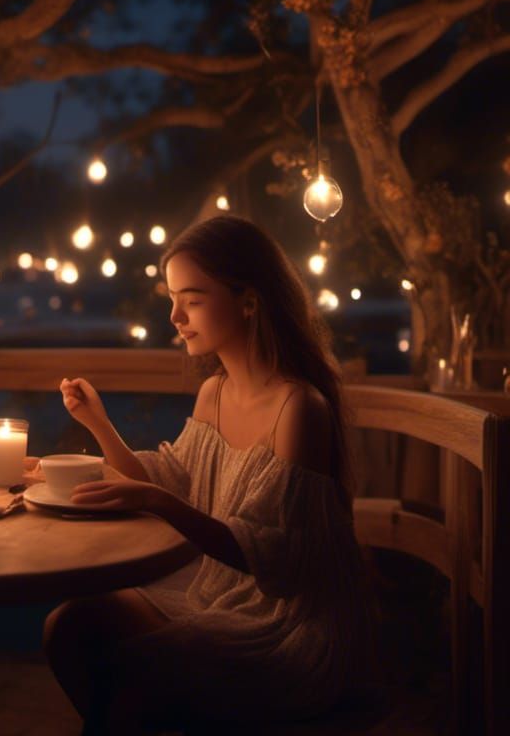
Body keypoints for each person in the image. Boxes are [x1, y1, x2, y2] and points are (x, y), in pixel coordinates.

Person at [45, 215, 375, 734]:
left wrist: (158, 503)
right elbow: (170, 479)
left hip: (290, 630)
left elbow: (279, 562)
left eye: (193, 299)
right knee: (68, 625)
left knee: (135, 676)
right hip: (216, 597)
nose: (175, 315)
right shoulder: (214, 393)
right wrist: (99, 424)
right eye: (172, 298)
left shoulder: (299, 408)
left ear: (249, 299)